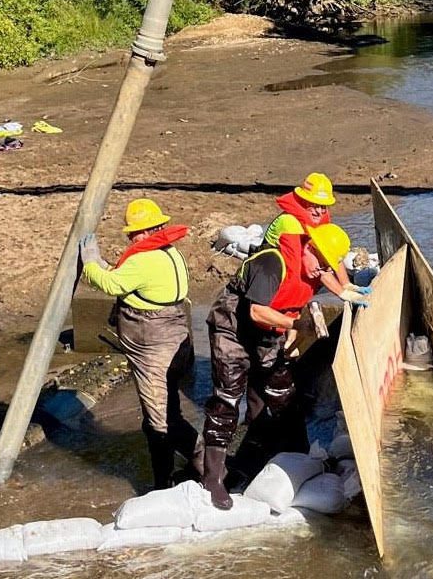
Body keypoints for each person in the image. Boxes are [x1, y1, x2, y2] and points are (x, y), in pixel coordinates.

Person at [202, 220, 351, 509]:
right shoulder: (272, 263)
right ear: (308, 248)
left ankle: (301, 457)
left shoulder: (312, 271)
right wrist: (296, 324)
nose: (320, 272)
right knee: (227, 399)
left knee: (282, 395)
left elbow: (291, 307)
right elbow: (257, 311)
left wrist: (292, 337)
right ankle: (214, 478)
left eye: (326, 268)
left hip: (268, 333)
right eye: (319, 264)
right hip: (232, 330)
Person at [79, 198, 200, 490]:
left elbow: (111, 285)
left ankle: (163, 486)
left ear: (147, 231)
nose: (131, 237)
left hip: (154, 348)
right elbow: (128, 279)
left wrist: (90, 263)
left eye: (134, 232)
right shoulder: (170, 253)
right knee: (171, 413)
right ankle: (206, 464)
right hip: (177, 341)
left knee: (158, 421)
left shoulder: (143, 259)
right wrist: (106, 265)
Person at [265, 172, 350, 294]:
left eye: (323, 206)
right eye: (314, 205)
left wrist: (347, 286)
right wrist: (341, 293)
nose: (319, 212)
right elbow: (302, 264)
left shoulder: (319, 218)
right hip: (272, 274)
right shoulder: (289, 223)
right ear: (303, 200)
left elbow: (332, 250)